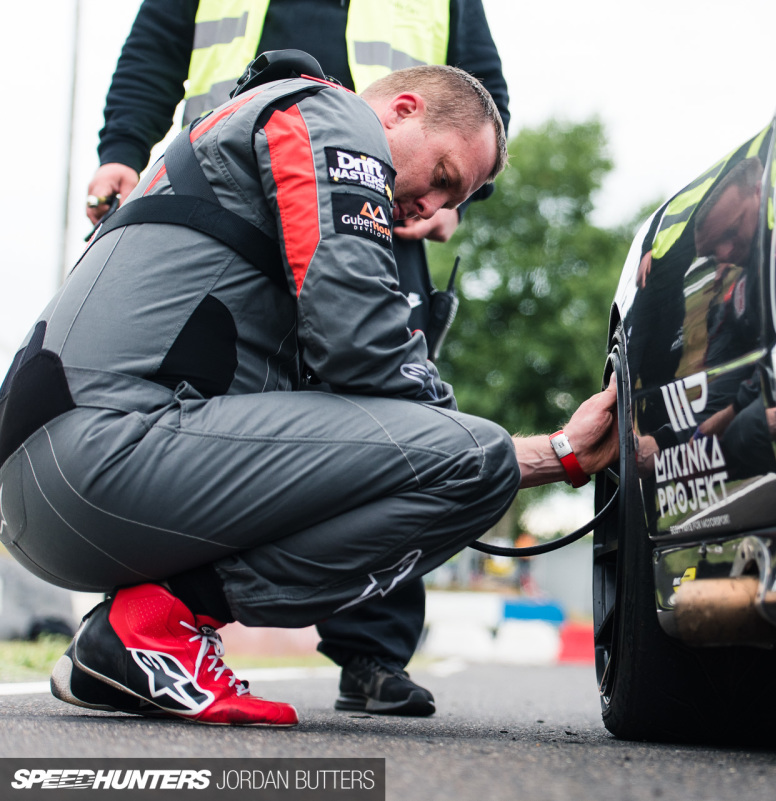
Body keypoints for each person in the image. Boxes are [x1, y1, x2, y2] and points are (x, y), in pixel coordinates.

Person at [0, 65, 617, 727]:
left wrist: (549, 456)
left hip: (59, 483)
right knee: (474, 456)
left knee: (465, 458)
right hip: (96, 457)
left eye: (451, 202)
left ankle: (142, 638)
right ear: (402, 109)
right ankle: (149, 630)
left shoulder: (261, 158)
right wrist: (498, 455)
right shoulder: (332, 115)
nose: (433, 210)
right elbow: (360, 338)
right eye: (442, 177)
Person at [82, 0, 511, 717]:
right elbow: (152, 52)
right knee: (196, 388)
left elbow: (481, 100)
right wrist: (121, 150)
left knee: (390, 413)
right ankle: (143, 626)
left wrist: (450, 196)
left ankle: (372, 650)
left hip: (375, 208)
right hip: (234, 192)